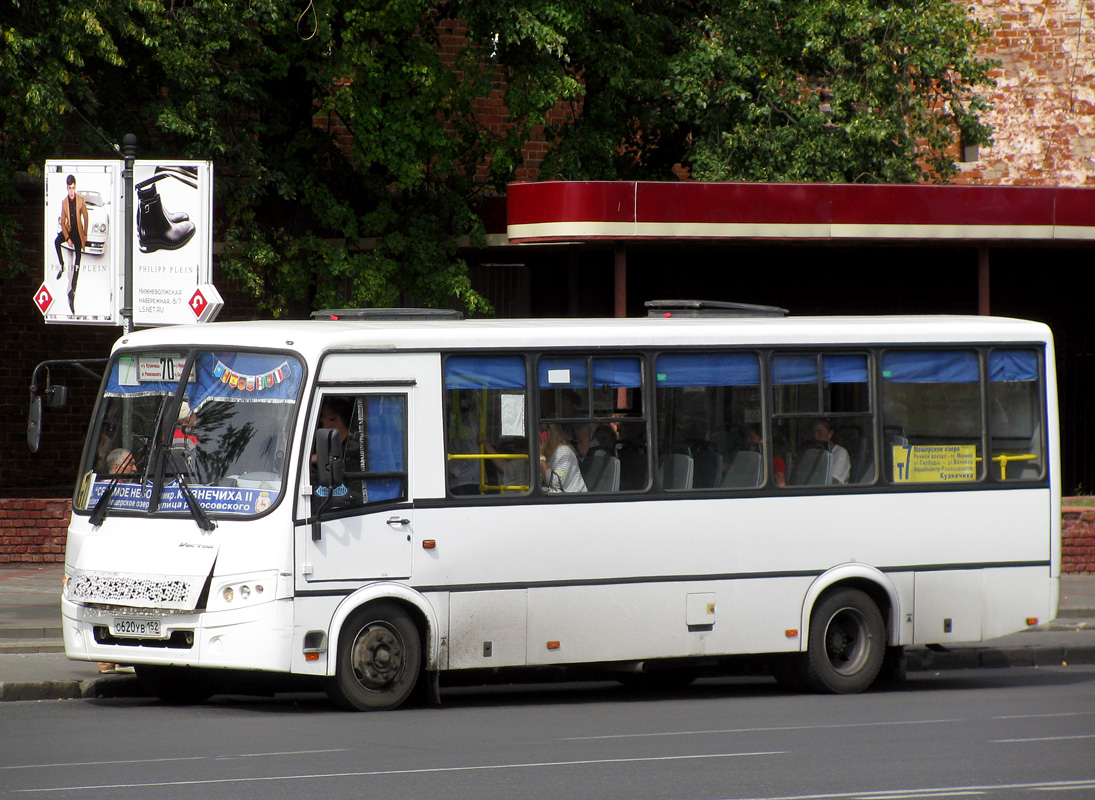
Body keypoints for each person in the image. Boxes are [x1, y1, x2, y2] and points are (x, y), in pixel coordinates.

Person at [53, 174, 88, 312]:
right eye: (69, 188)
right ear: (67, 188)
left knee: (78, 261)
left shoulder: (80, 200)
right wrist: (67, 238)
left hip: (78, 232)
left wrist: (84, 234)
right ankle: (61, 265)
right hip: (69, 230)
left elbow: (86, 216)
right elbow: (62, 221)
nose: (72, 191)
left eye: (73, 188)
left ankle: (72, 291)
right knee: (57, 242)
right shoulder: (64, 202)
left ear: (75, 187)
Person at [539, 423, 587, 493]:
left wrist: (542, 459)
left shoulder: (563, 452)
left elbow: (556, 483)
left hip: (573, 499)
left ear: (545, 436)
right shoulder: (548, 455)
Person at [810, 419, 851, 484]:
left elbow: (832, 482)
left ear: (830, 433)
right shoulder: (815, 453)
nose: (815, 436)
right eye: (813, 433)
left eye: (819, 432)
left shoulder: (840, 453)